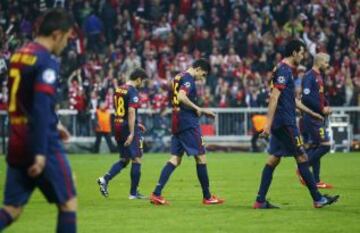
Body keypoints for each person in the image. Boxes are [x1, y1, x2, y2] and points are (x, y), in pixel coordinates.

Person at [0, 9, 77, 232]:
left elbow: (26, 101)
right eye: (66, 38)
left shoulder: (18, 55)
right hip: (41, 141)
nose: (66, 44)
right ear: (56, 34)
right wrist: (41, 153)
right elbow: (41, 106)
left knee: (12, 208)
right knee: (68, 202)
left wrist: (57, 123)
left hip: (16, 140)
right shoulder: (46, 61)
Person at [253, 40, 339, 209]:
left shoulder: (282, 70)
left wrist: (312, 112)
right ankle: (318, 199)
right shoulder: (284, 71)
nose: (303, 56)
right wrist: (267, 125)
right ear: (294, 53)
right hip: (285, 122)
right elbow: (274, 97)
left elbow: (291, 99)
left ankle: (260, 201)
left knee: (273, 159)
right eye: (301, 52)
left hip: (281, 122)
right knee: (302, 157)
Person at [149, 59, 224, 205]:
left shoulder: (177, 77)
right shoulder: (189, 79)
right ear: (198, 68)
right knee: (201, 157)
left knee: (175, 158)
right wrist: (198, 109)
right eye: (203, 74)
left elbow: (172, 96)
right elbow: (181, 96)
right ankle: (207, 197)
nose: (202, 78)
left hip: (177, 120)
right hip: (188, 123)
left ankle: (156, 193)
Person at [97, 68, 148, 199]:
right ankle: (133, 193)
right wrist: (132, 132)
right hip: (126, 127)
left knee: (125, 159)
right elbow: (131, 111)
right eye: (142, 81)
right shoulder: (133, 91)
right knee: (137, 158)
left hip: (118, 125)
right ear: (138, 79)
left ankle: (105, 179)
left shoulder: (119, 89)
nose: (142, 84)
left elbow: (122, 110)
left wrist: (136, 124)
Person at [298, 53, 333, 189]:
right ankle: (303, 168)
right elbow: (306, 98)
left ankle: (316, 180)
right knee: (325, 145)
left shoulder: (318, 76)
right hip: (312, 117)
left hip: (317, 116)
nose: (327, 65)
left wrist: (326, 105)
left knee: (317, 146)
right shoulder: (309, 76)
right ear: (319, 62)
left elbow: (319, 96)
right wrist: (321, 108)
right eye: (326, 62)